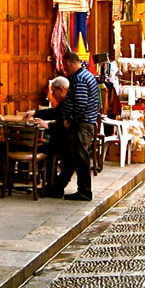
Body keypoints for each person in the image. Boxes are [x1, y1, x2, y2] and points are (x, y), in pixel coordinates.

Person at [46, 51, 101, 201]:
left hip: (81, 124)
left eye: (65, 65)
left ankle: (84, 191)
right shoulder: (84, 76)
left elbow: (81, 103)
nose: (65, 69)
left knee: (81, 159)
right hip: (83, 122)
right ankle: (58, 187)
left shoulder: (80, 79)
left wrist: (70, 119)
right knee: (73, 158)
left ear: (69, 63)